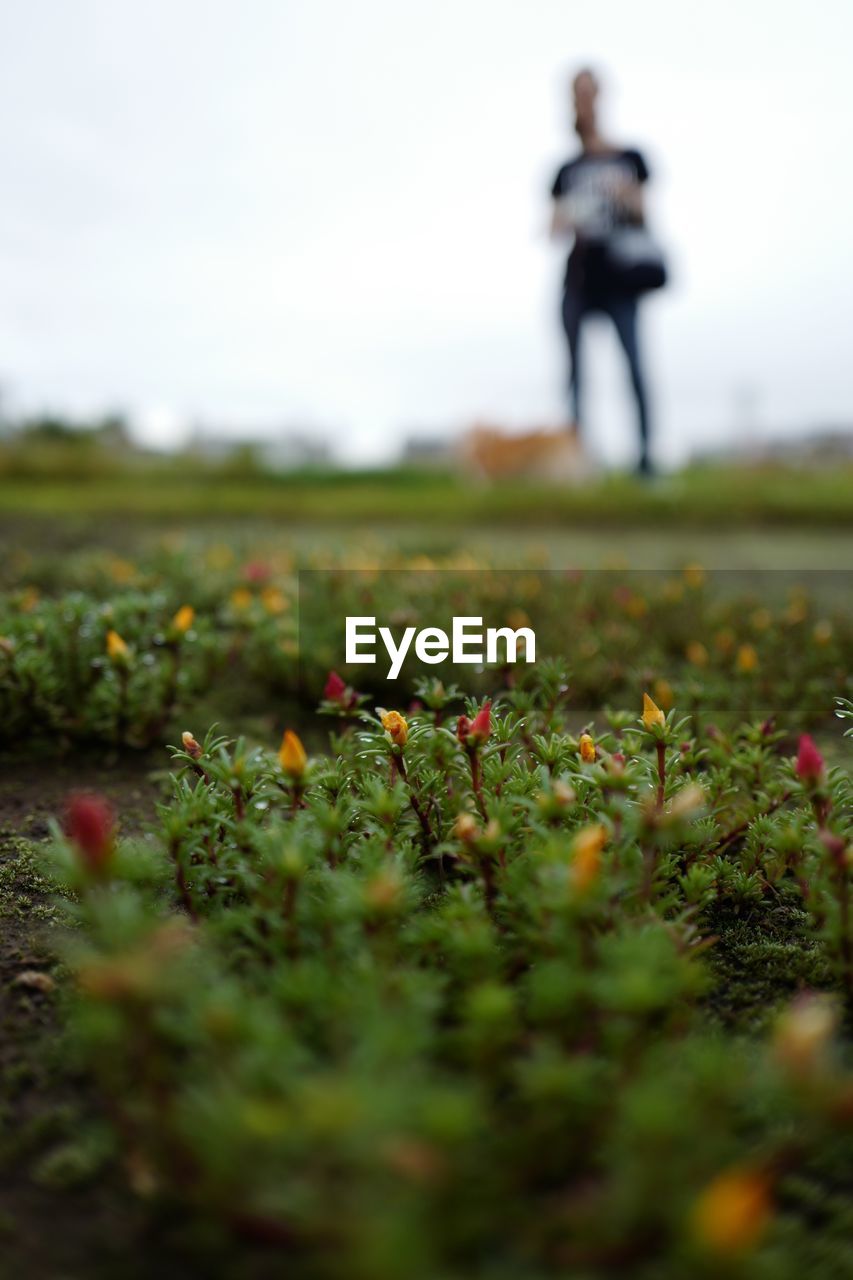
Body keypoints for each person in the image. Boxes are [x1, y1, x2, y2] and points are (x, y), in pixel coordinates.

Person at [550, 68, 655, 475]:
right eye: (576, 95)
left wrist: (622, 193)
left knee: (634, 367)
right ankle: (579, 465)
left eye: (588, 94)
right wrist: (567, 218)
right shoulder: (564, 169)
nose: (583, 102)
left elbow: (645, 211)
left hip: (621, 277)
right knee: (575, 374)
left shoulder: (629, 158)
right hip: (578, 278)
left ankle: (645, 463)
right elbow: (553, 226)